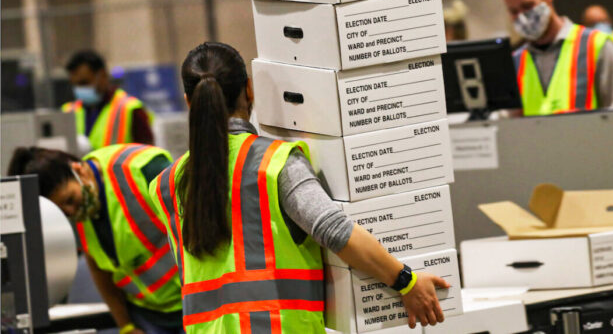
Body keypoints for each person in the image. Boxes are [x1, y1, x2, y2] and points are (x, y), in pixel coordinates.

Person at [149, 42, 449, 333]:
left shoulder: (165, 185)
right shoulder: (273, 163)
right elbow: (337, 232)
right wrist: (407, 282)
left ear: (189, 102)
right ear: (250, 89)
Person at [8, 145, 182, 334]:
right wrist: (126, 325)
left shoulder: (142, 168)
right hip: (146, 316)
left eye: (70, 200)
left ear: (78, 170)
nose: (73, 212)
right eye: (64, 212)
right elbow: (99, 270)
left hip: (190, 301)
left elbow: (199, 228)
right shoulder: (76, 213)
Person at [501, 0, 613, 116]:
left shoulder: (596, 45)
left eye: (528, 6)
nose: (522, 17)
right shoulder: (515, 62)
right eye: (514, 11)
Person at [62, 50, 154, 152]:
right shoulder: (68, 111)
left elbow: (148, 155)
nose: (79, 89)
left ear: (102, 75)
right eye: (75, 85)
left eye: (84, 82)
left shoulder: (129, 108)